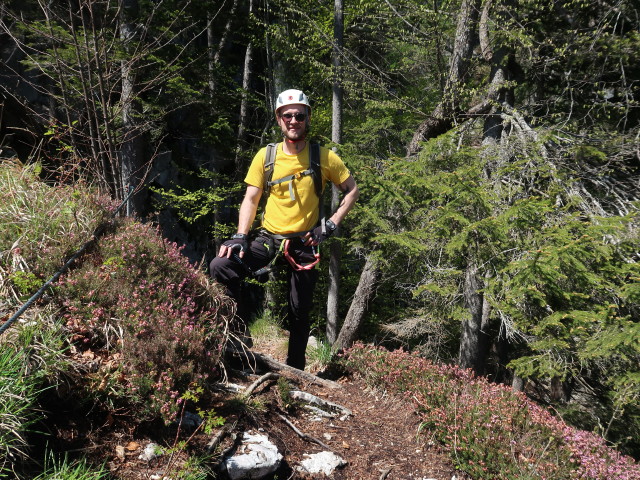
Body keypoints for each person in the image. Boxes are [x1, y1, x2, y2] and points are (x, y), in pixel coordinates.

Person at [210, 89, 359, 370]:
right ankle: (239, 336)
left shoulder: (325, 157)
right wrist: (241, 235)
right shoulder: (266, 157)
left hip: (304, 242)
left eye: (299, 115)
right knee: (222, 266)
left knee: (299, 311)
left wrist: (331, 224)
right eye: (287, 115)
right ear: (279, 120)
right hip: (268, 238)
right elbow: (251, 198)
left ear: (308, 119)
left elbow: (352, 190)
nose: (293, 120)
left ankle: (295, 369)